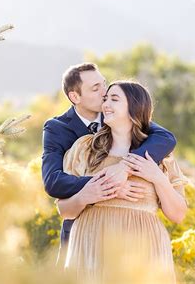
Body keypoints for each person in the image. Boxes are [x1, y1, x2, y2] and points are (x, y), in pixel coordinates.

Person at [42, 63, 178, 263]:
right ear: (75, 97)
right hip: (82, 233)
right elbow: (53, 182)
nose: (104, 93)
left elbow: (166, 138)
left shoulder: (120, 112)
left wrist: (124, 167)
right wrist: (108, 187)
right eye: (95, 89)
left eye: (103, 84)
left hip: (133, 242)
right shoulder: (57, 128)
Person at [57, 81, 188, 283]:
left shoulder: (160, 155)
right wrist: (89, 194)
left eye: (114, 99)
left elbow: (178, 214)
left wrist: (157, 177)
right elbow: (64, 210)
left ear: (134, 108)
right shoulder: (84, 149)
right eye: (105, 98)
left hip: (142, 250)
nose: (106, 104)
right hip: (92, 247)